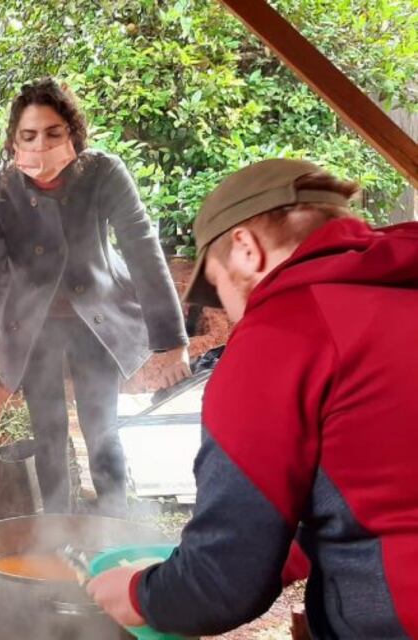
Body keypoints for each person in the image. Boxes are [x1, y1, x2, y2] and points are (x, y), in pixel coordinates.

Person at [87, 159, 418, 637]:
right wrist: (280, 545)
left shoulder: (283, 334)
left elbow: (221, 583)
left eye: (221, 288)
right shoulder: (393, 292)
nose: (235, 315)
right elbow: (373, 487)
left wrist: (139, 593)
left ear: (245, 248)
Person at [0, 79, 190, 514]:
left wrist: (171, 341)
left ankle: (115, 522)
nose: (42, 145)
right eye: (29, 135)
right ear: (14, 141)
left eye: (54, 133)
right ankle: (59, 530)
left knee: (102, 429)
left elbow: (141, 249)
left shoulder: (103, 173)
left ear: (73, 134)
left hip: (95, 319)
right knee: (49, 433)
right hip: (32, 328)